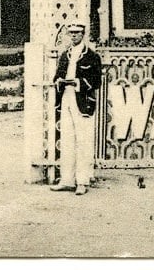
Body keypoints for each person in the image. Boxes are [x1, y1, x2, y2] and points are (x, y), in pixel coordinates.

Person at [51, 21, 101, 196]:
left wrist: (77, 82)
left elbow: (96, 81)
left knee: (83, 142)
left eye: (77, 33)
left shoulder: (92, 56)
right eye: (71, 33)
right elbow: (57, 75)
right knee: (67, 140)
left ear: (83, 35)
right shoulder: (65, 55)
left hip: (83, 102)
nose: (73, 36)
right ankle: (66, 180)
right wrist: (58, 81)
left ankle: (82, 181)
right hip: (67, 99)